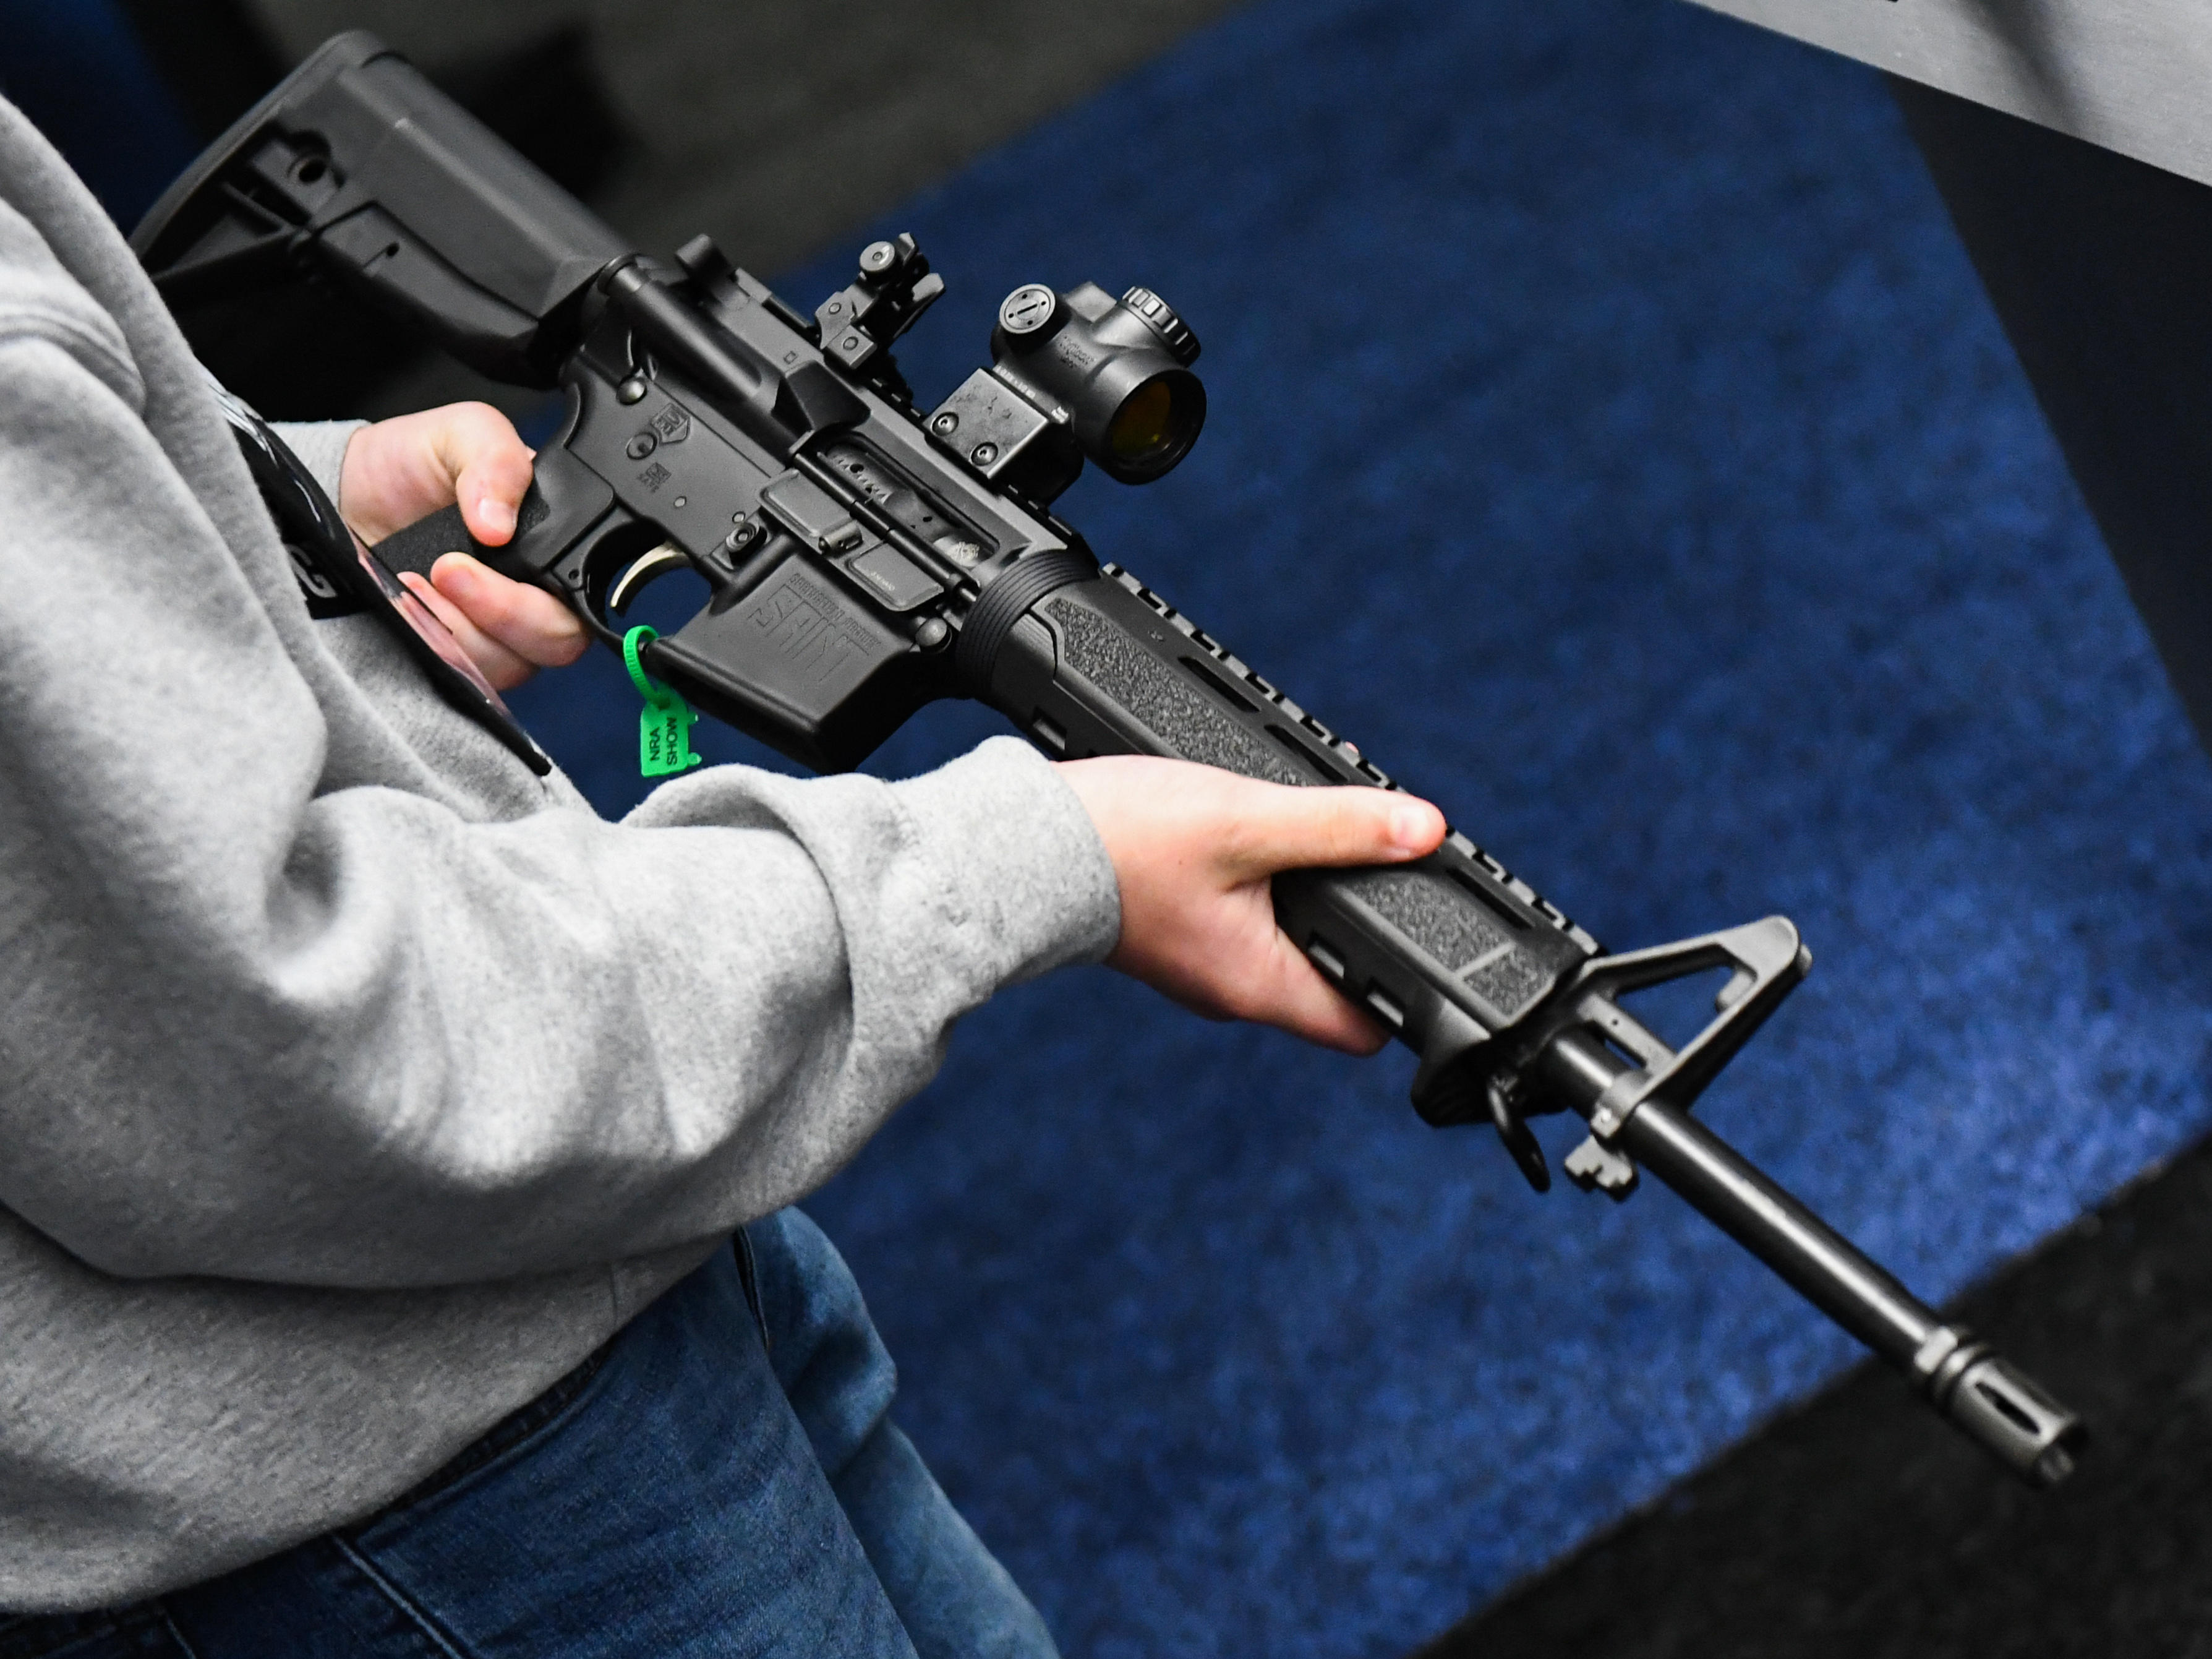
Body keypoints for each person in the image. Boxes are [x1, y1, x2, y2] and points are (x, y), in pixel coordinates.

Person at [0, 89, 1446, 1658]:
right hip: (374, 1509)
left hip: (598, 1263)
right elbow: (292, 1050)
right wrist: (1042, 856)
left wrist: (271, 523)